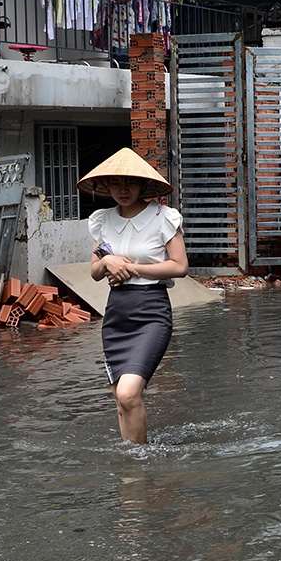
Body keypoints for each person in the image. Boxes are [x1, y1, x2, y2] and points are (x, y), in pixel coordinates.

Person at [79, 149, 187, 443]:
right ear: (106, 186)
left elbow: (179, 266)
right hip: (116, 314)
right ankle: (132, 470)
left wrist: (132, 267)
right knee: (120, 398)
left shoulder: (163, 217)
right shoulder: (102, 220)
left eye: (130, 183)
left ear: (144, 186)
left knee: (128, 393)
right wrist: (107, 262)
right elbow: (94, 271)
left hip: (151, 311)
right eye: (116, 183)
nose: (123, 190)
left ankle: (140, 461)